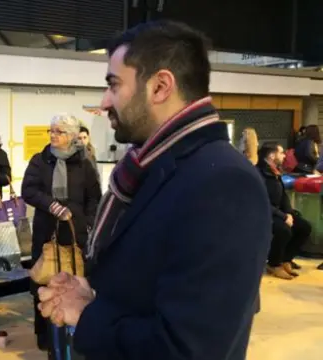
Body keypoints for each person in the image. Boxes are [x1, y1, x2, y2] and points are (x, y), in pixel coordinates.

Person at [36, 20, 271, 360]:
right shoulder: (149, 170)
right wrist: (95, 297)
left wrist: (88, 316)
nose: (104, 102)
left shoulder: (223, 184)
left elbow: (187, 349)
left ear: (160, 86)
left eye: (114, 85)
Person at [21, 113, 101, 352]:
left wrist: (88, 222)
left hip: (76, 235)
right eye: (52, 131)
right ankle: (45, 334)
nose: (54, 136)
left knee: (73, 283)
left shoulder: (84, 163)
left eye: (60, 132)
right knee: (45, 281)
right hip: (47, 233)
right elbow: (29, 190)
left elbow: (94, 197)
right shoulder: (40, 160)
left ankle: (72, 331)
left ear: (73, 136)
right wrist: (51, 205)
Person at [257, 142, 311, 280]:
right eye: (281, 152)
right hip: (265, 213)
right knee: (284, 230)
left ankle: (286, 259)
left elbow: (283, 196)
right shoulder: (259, 173)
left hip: (278, 211)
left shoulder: (275, 171)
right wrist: (283, 215)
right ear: (271, 155)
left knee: (304, 227)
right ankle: (274, 264)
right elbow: (262, 201)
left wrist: (290, 213)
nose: (284, 155)